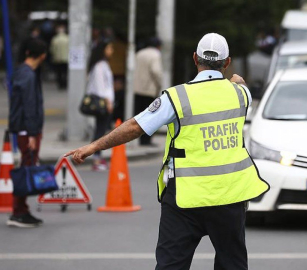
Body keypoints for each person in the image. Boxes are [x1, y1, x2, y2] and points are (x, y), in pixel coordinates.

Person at [66, 33, 270, 270]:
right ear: (227, 62)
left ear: (195, 58)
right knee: (232, 264)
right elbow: (242, 86)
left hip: (185, 197)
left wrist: (93, 146)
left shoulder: (177, 97)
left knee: (171, 265)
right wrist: (238, 81)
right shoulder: (241, 94)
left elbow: (135, 127)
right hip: (230, 196)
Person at [8, 39, 47, 228]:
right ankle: (18, 212)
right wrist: (33, 133)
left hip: (24, 128)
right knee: (26, 169)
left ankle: (21, 209)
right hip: (27, 130)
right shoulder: (29, 75)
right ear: (42, 55)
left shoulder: (21, 72)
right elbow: (29, 106)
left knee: (26, 166)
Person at [86, 41, 114, 171]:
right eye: (109, 48)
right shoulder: (99, 66)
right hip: (102, 103)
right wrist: (108, 102)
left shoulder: (102, 64)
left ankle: (97, 156)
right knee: (100, 131)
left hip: (105, 102)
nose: (111, 50)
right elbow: (100, 87)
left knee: (101, 129)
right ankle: (96, 158)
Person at [133, 37, 162, 146]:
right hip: (149, 90)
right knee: (151, 116)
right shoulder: (155, 54)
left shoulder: (139, 53)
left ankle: (140, 139)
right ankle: (146, 140)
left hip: (137, 88)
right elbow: (156, 71)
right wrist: (159, 84)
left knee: (140, 116)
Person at [50, 25, 69, 89]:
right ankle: (65, 83)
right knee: (65, 72)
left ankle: (60, 84)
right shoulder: (67, 38)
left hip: (58, 58)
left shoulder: (55, 39)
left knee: (59, 72)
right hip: (66, 58)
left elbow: (52, 49)